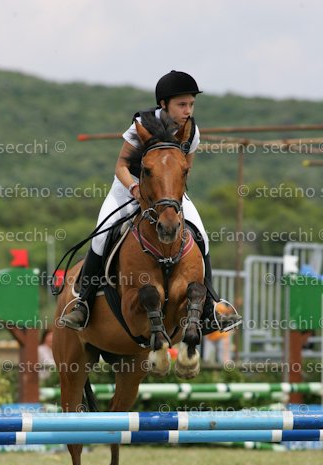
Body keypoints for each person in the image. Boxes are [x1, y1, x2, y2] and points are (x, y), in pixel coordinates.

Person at [60, 70, 241, 334]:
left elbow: (184, 170)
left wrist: (172, 197)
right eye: (182, 104)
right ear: (163, 104)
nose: (188, 110)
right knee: (102, 236)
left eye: (191, 104)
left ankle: (209, 307)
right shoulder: (141, 126)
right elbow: (121, 166)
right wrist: (135, 188)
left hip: (167, 193)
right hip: (129, 188)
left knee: (202, 235)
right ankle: (83, 303)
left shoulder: (192, 132)